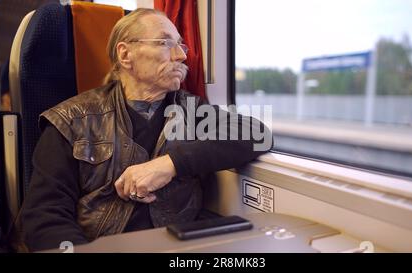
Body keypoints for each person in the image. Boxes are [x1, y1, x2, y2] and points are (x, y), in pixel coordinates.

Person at [14, 8, 272, 252]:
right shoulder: (71, 120)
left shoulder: (191, 111)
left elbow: (257, 134)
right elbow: (43, 217)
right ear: (126, 55)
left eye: (181, 44)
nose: (182, 55)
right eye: (164, 43)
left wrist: (170, 164)